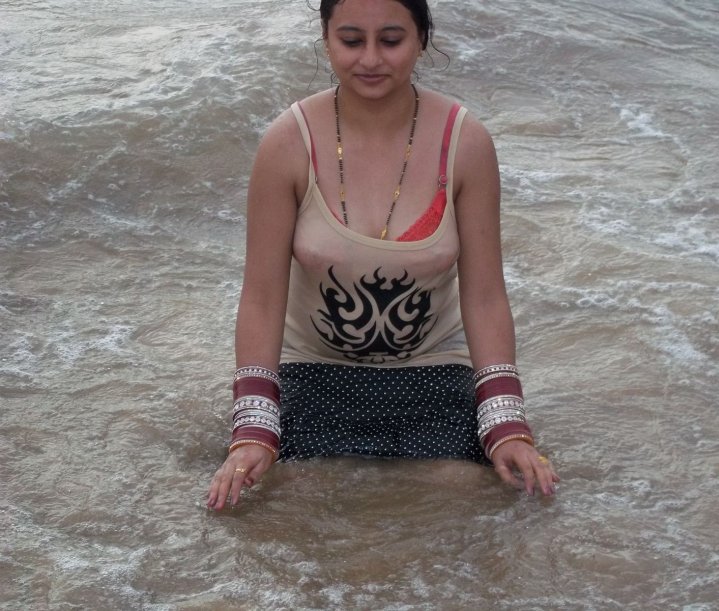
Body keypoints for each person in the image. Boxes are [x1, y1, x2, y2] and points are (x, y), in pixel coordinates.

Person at [207, 0, 559, 510]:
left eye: (390, 40)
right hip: (313, 370)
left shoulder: (466, 142)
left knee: (470, 496)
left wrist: (507, 425)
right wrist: (253, 430)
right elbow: (261, 298)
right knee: (292, 499)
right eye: (352, 41)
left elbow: (484, 297)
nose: (370, 59)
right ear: (326, 39)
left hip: (434, 368)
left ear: (421, 38)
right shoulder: (287, 143)